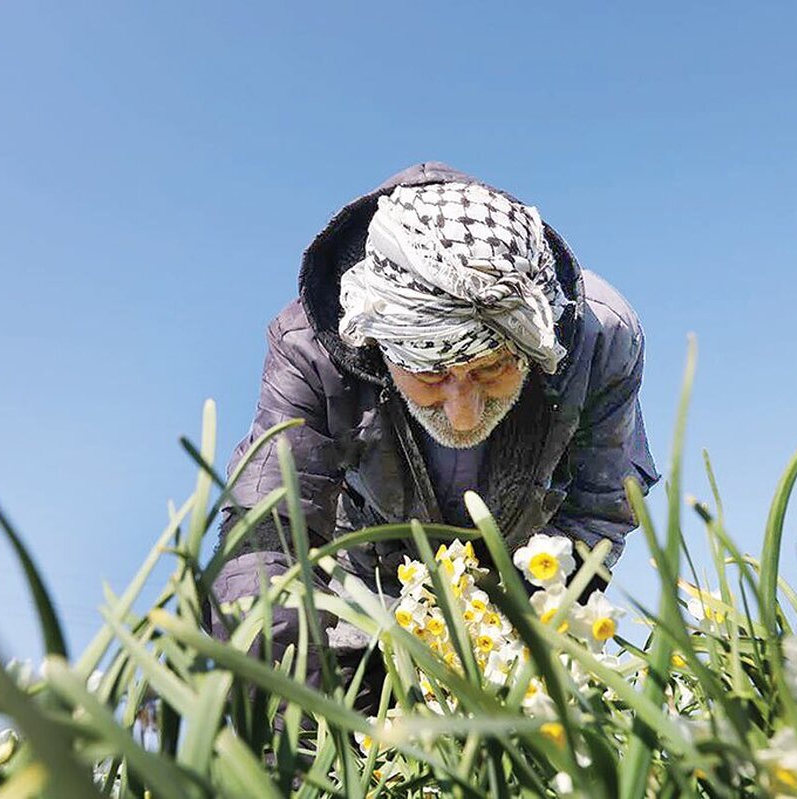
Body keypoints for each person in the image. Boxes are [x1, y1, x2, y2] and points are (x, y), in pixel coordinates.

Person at [206, 160, 662, 716]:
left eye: (493, 370)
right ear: (378, 349)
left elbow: (598, 509)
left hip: (513, 593)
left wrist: (516, 641)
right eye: (429, 375)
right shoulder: (312, 349)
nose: (464, 414)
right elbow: (271, 525)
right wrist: (277, 703)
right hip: (363, 593)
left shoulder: (598, 339)